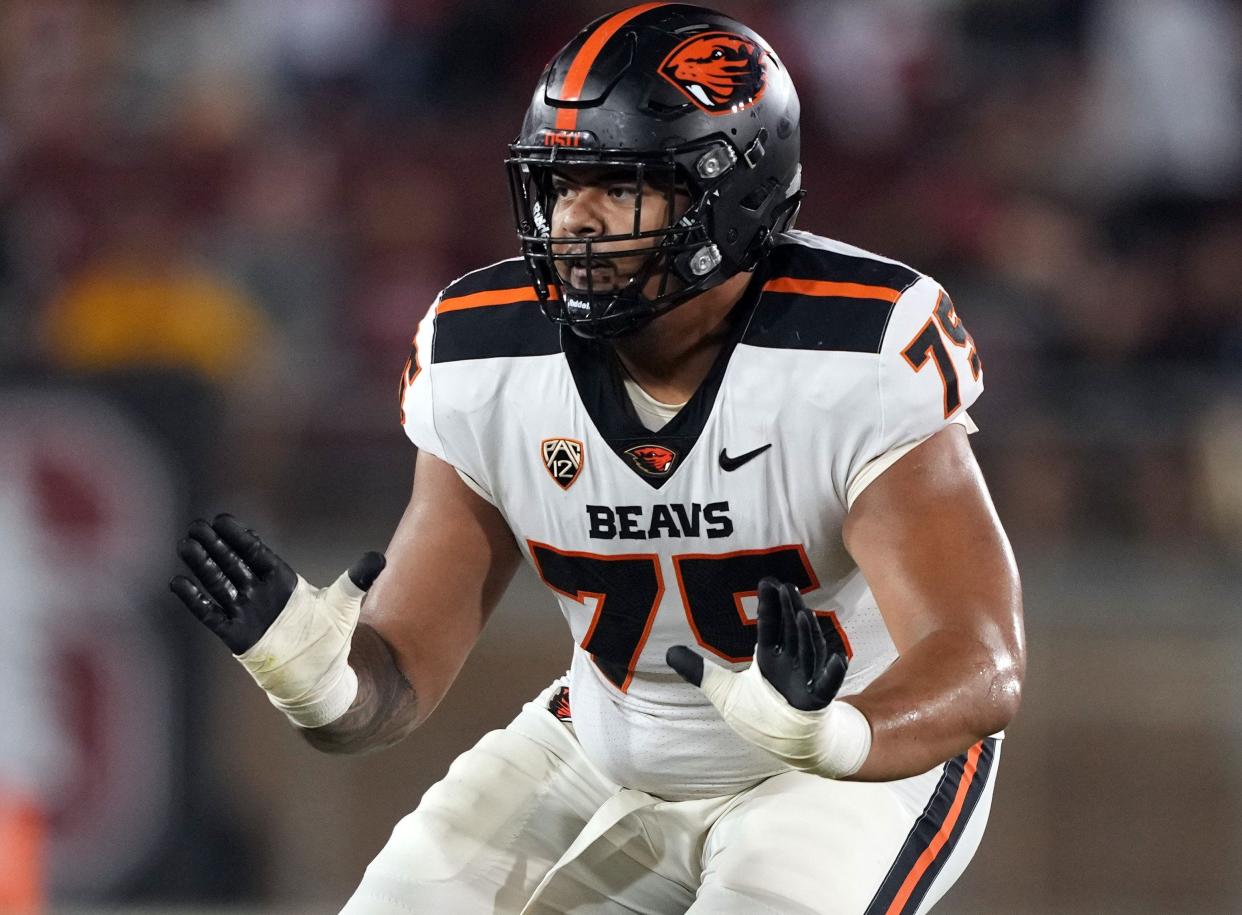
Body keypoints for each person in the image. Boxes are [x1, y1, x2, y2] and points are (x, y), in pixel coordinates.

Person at [171, 5, 1026, 913]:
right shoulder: (487, 354)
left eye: (617, 186)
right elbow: (394, 684)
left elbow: (981, 658)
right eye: (559, 183)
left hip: (851, 760)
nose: (574, 220)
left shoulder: (850, 350)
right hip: (606, 738)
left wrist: (837, 736)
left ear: (727, 195)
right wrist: (321, 682)